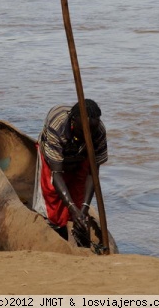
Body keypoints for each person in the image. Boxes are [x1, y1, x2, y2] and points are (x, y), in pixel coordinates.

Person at [31, 99, 108, 242]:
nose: (88, 136)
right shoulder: (57, 126)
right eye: (83, 131)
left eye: (92, 131)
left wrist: (82, 210)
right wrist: (71, 207)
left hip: (81, 154)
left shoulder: (99, 132)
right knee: (52, 197)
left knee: (79, 194)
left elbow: (93, 173)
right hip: (55, 155)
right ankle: (59, 234)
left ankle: (80, 233)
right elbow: (56, 175)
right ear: (73, 122)